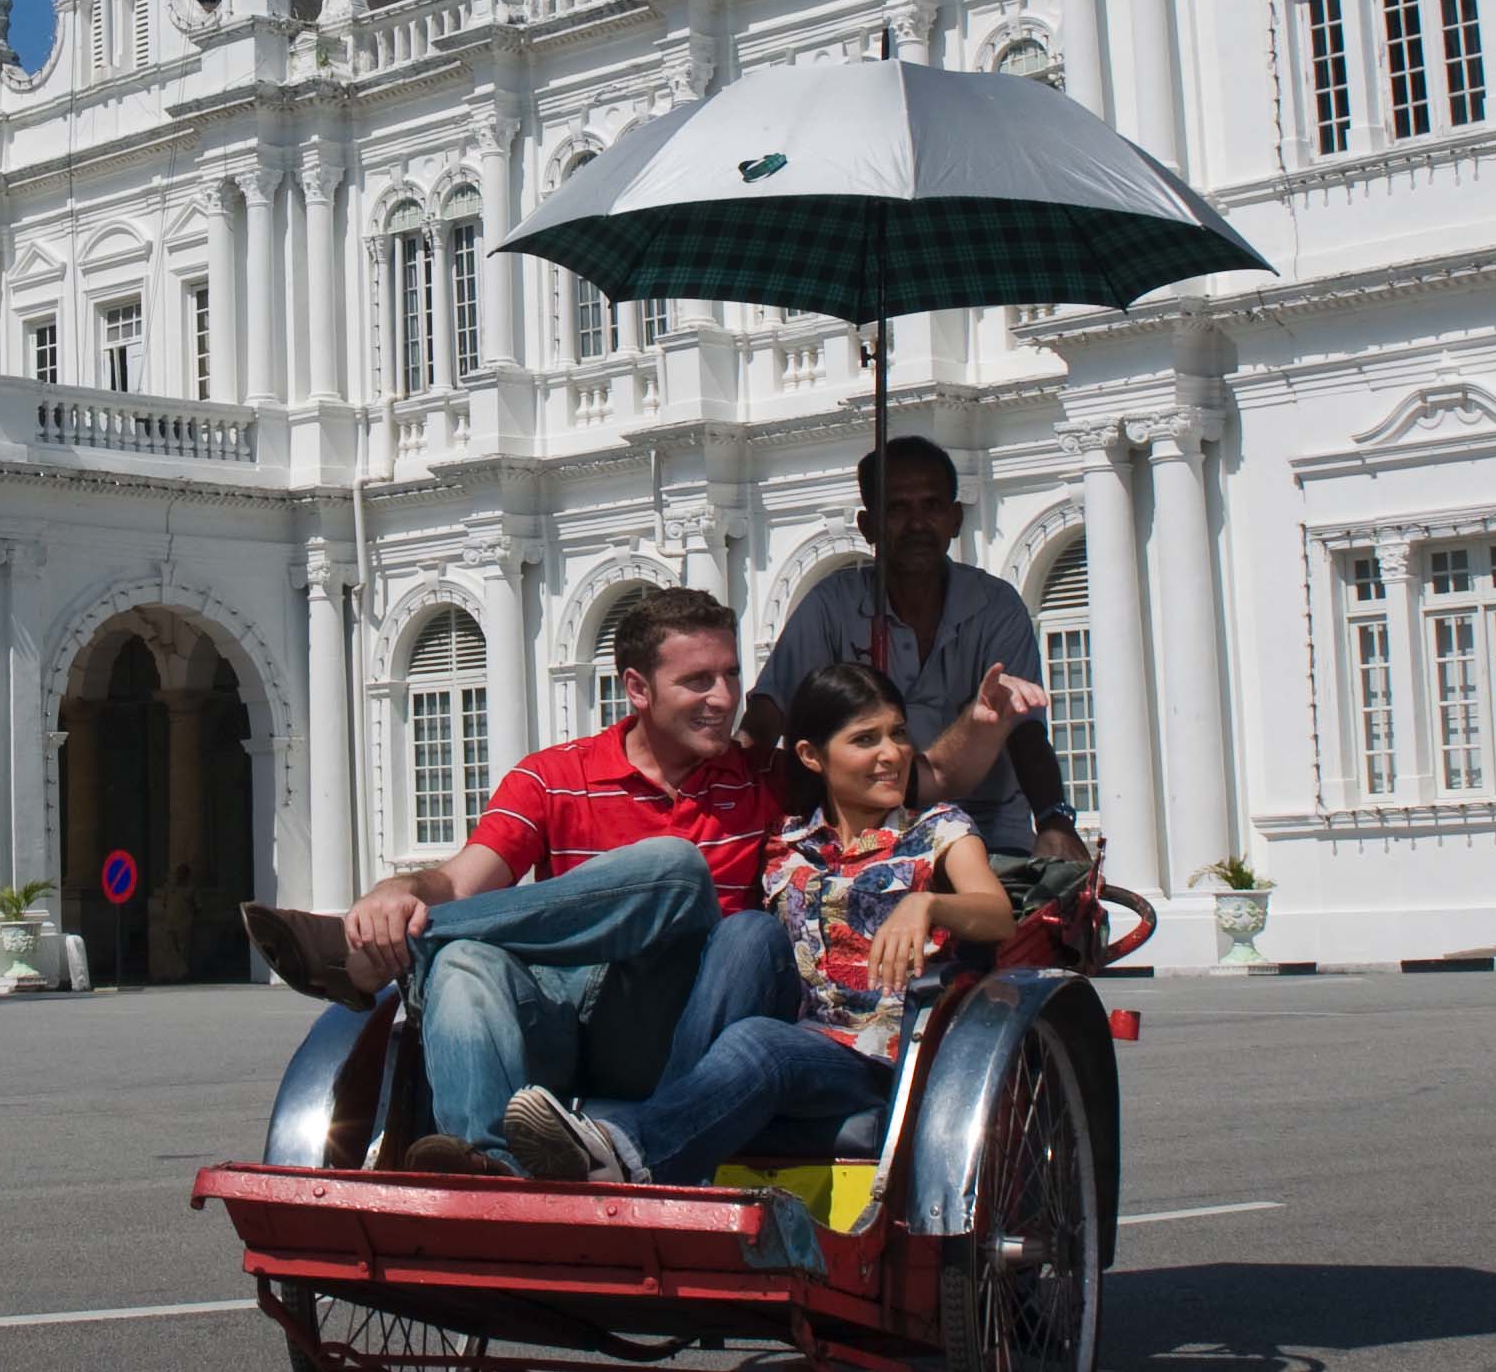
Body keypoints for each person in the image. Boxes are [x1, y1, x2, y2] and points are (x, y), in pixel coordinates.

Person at [238, 588, 796, 1174]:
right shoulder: (554, 776)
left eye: (732, 675)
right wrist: (395, 894)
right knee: (464, 963)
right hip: (558, 1023)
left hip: (678, 1029)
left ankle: (370, 953)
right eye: (699, 681)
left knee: (677, 870)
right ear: (637, 689)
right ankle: (492, 1168)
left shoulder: (768, 782)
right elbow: (459, 882)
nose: (725, 698)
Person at [498, 660, 1013, 1186]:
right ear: (812, 757)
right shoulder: (783, 842)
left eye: (898, 734)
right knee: (747, 932)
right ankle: (646, 1141)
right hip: (788, 1024)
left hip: (874, 1056)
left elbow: (998, 915)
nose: (892, 754)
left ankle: (630, 1148)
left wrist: (927, 905)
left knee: (760, 1042)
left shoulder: (938, 828)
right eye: (865, 740)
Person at [747, 436, 1090, 865]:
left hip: (988, 829)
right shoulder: (830, 605)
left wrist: (1055, 821)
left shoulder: (997, 605)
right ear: (868, 526)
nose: (917, 524)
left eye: (931, 506)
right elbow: (766, 719)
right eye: (897, 509)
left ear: (955, 518)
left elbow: (1024, 731)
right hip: (862, 832)